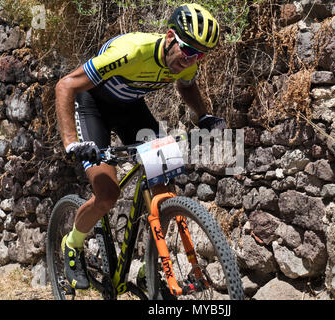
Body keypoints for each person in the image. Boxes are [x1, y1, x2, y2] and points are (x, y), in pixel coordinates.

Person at [55, 3, 226, 289]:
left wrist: (203, 115)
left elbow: (185, 85)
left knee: (165, 192)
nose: (191, 59)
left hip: (131, 111)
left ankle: (153, 266)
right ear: (170, 36)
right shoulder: (131, 52)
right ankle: (72, 244)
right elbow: (66, 85)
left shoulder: (187, 60)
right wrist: (72, 143)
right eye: (187, 49)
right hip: (92, 106)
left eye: (200, 54)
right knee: (107, 195)